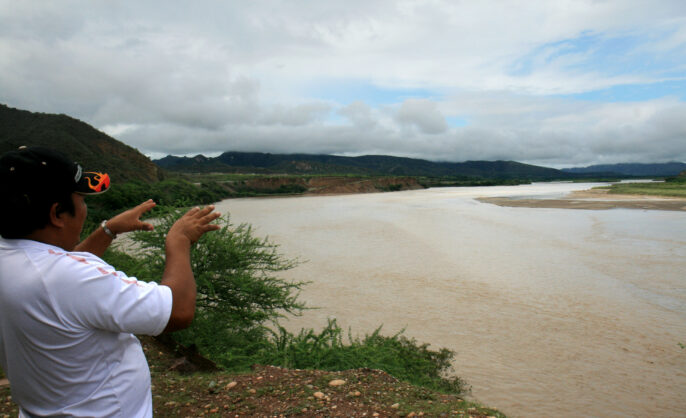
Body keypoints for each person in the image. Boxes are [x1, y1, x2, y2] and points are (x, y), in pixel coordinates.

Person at [0, 146, 221, 417]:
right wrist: (179, 241)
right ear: (57, 214)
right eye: (81, 199)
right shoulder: (69, 277)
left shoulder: (13, 258)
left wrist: (108, 230)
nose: (84, 208)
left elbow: (53, 277)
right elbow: (177, 311)